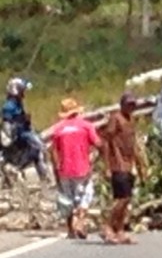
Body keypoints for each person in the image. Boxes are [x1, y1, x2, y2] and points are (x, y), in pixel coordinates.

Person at [46, 98, 101, 239]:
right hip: (82, 167)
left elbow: (53, 151)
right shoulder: (86, 126)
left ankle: (70, 229)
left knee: (67, 198)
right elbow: (98, 143)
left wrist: (56, 168)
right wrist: (94, 158)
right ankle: (81, 221)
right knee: (86, 194)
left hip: (64, 169)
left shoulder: (58, 129)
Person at [98, 92, 148, 245]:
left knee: (127, 200)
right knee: (122, 198)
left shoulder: (131, 119)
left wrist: (140, 165)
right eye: (129, 104)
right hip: (117, 164)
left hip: (129, 164)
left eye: (134, 105)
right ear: (122, 105)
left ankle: (119, 230)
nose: (131, 107)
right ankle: (107, 226)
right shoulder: (116, 118)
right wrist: (107, 165)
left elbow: (133, 144)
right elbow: (106, 141)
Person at [2, 77, 49, 181]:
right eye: (21, 90)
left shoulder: (18, 103)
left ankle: (43, 175)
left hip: (24, 131)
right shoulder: (9, 106)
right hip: (19, 134)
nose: (23, 93)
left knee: (38, 149)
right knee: (38, 148)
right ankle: (18, 167)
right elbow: (7, 125)